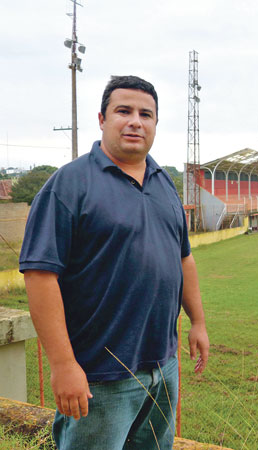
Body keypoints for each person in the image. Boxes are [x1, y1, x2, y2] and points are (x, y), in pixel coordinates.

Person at [19, 75, 209, 450]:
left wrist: (198, 321)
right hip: (100, 376)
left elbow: (183, 257)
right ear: (102, 119)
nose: (135, 121)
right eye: (124, 111)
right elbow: (40, 276)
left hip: (162, 366)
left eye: (146, 114)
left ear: (155, 124)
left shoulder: (163, 182)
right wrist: (62, 365)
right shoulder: (69, 185)